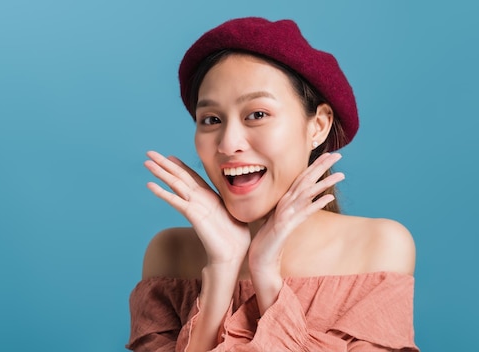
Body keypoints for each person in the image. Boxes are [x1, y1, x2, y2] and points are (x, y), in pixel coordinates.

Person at [127, 17, 419, 352]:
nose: (228, 143)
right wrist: (222, 271)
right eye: (211, 120)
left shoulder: (379, 246)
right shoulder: (170, 254)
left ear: (319, 126)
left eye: (257, 114)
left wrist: (266, 276)